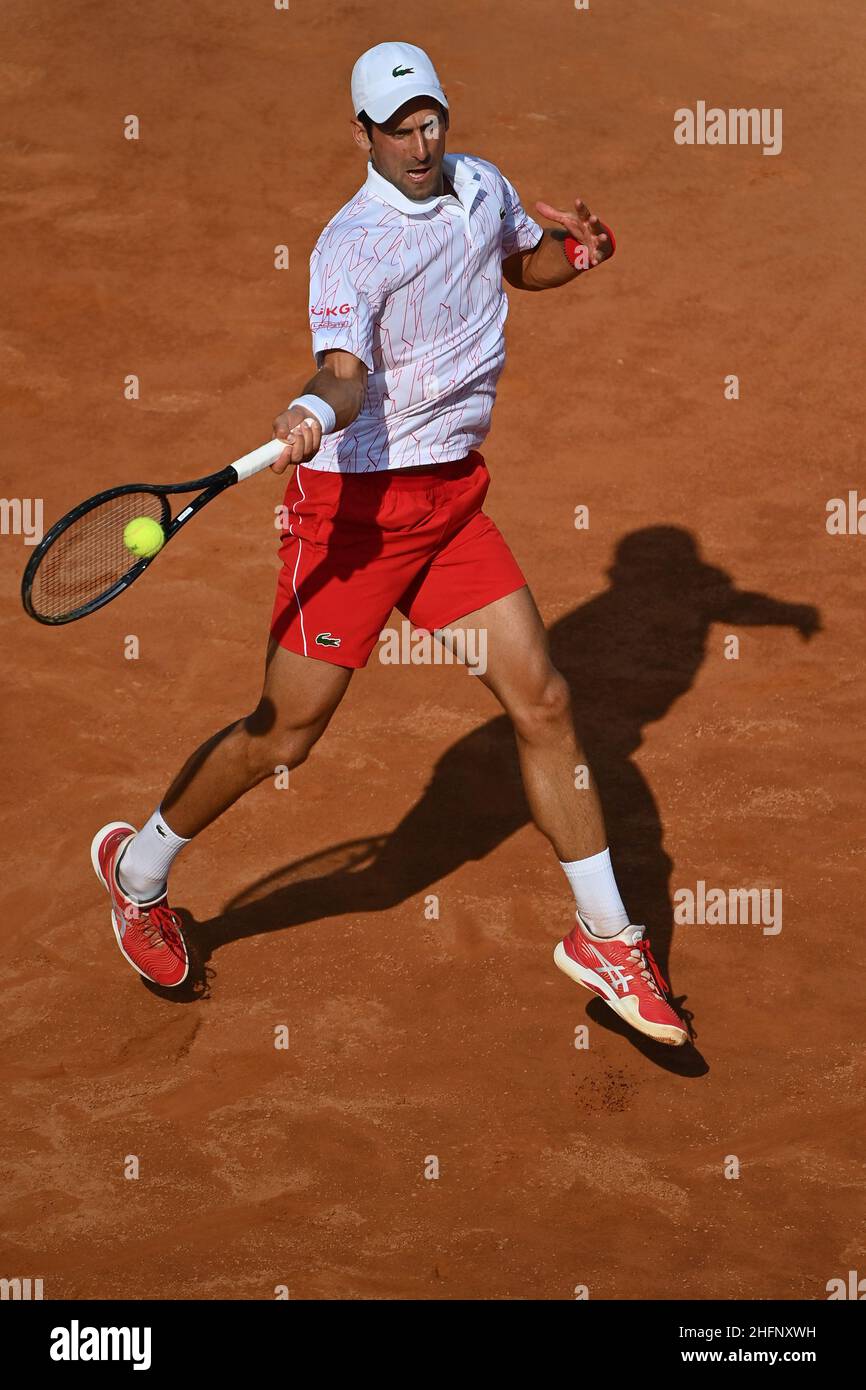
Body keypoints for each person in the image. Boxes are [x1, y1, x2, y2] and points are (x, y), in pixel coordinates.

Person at [91, 41, 687, 1046]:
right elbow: (343, 371)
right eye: (399, 127)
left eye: (430, 120)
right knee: (284, 734)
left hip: (448, 498)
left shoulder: (480, 186)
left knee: (542, 699)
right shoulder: (350, 246)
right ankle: (139, 873)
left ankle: (607, 939)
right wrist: (309, 412)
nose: (421, 142)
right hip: (354, 517)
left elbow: (517, 263)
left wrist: (578, 254)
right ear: (362, 134)